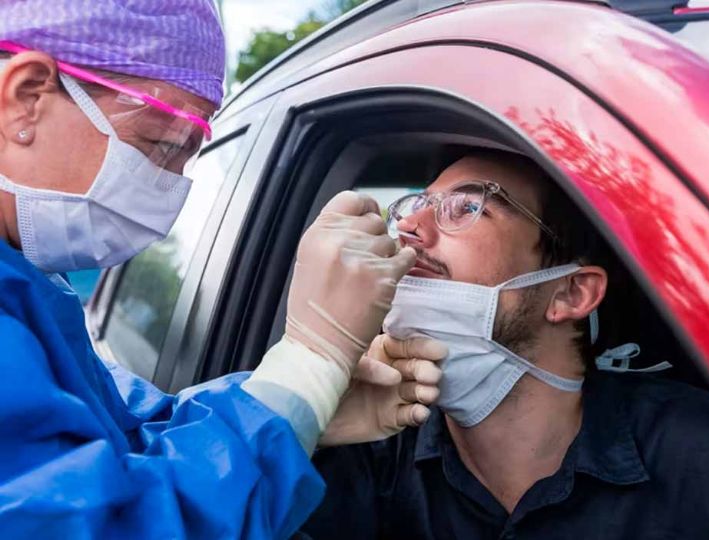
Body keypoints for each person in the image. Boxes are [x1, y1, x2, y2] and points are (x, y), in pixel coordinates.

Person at [0, 2, 446, 537]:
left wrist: (302, 402)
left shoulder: (32, 291)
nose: (170, 188)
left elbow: (126, 429)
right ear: (26, 98)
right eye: (160, 146)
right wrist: (309, 363)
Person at [302, 150, 709, 539]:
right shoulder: (362, 454)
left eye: (467, 206)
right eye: (417, 205)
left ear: (571, 291)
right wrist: (299, 419)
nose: (411, 227)